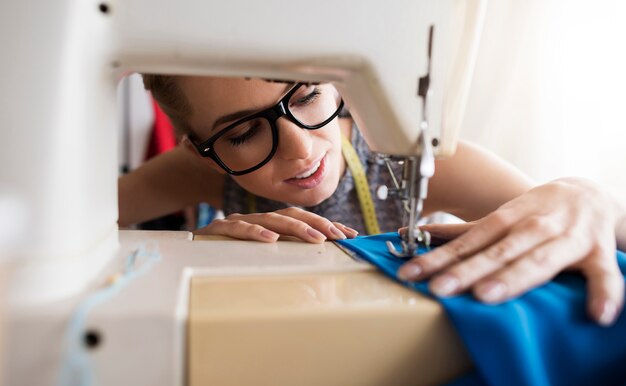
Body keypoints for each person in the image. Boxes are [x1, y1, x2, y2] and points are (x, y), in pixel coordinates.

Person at [118, 75, 626, 326]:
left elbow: (582, 224)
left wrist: (591, 198)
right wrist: (182, 252)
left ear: (339, 80)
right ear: (204, 154)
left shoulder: (406, 158)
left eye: (306, 97)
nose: (300, 148)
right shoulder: (197, 173)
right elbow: (61, 233)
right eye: (246, 131)